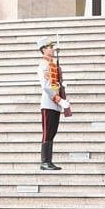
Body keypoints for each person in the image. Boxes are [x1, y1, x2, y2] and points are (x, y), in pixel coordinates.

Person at [37, 35, 71, 171]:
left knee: (52, 132)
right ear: (43, 50)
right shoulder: (44, 65)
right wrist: (59, 100)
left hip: (55, 104)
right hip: (49, 103)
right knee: (47, 133)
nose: (52, 49)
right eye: (50, 47)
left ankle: (49, 161)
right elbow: (46, 86)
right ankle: (45, 161)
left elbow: (55, 83)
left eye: (52, 47)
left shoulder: (52, 64)